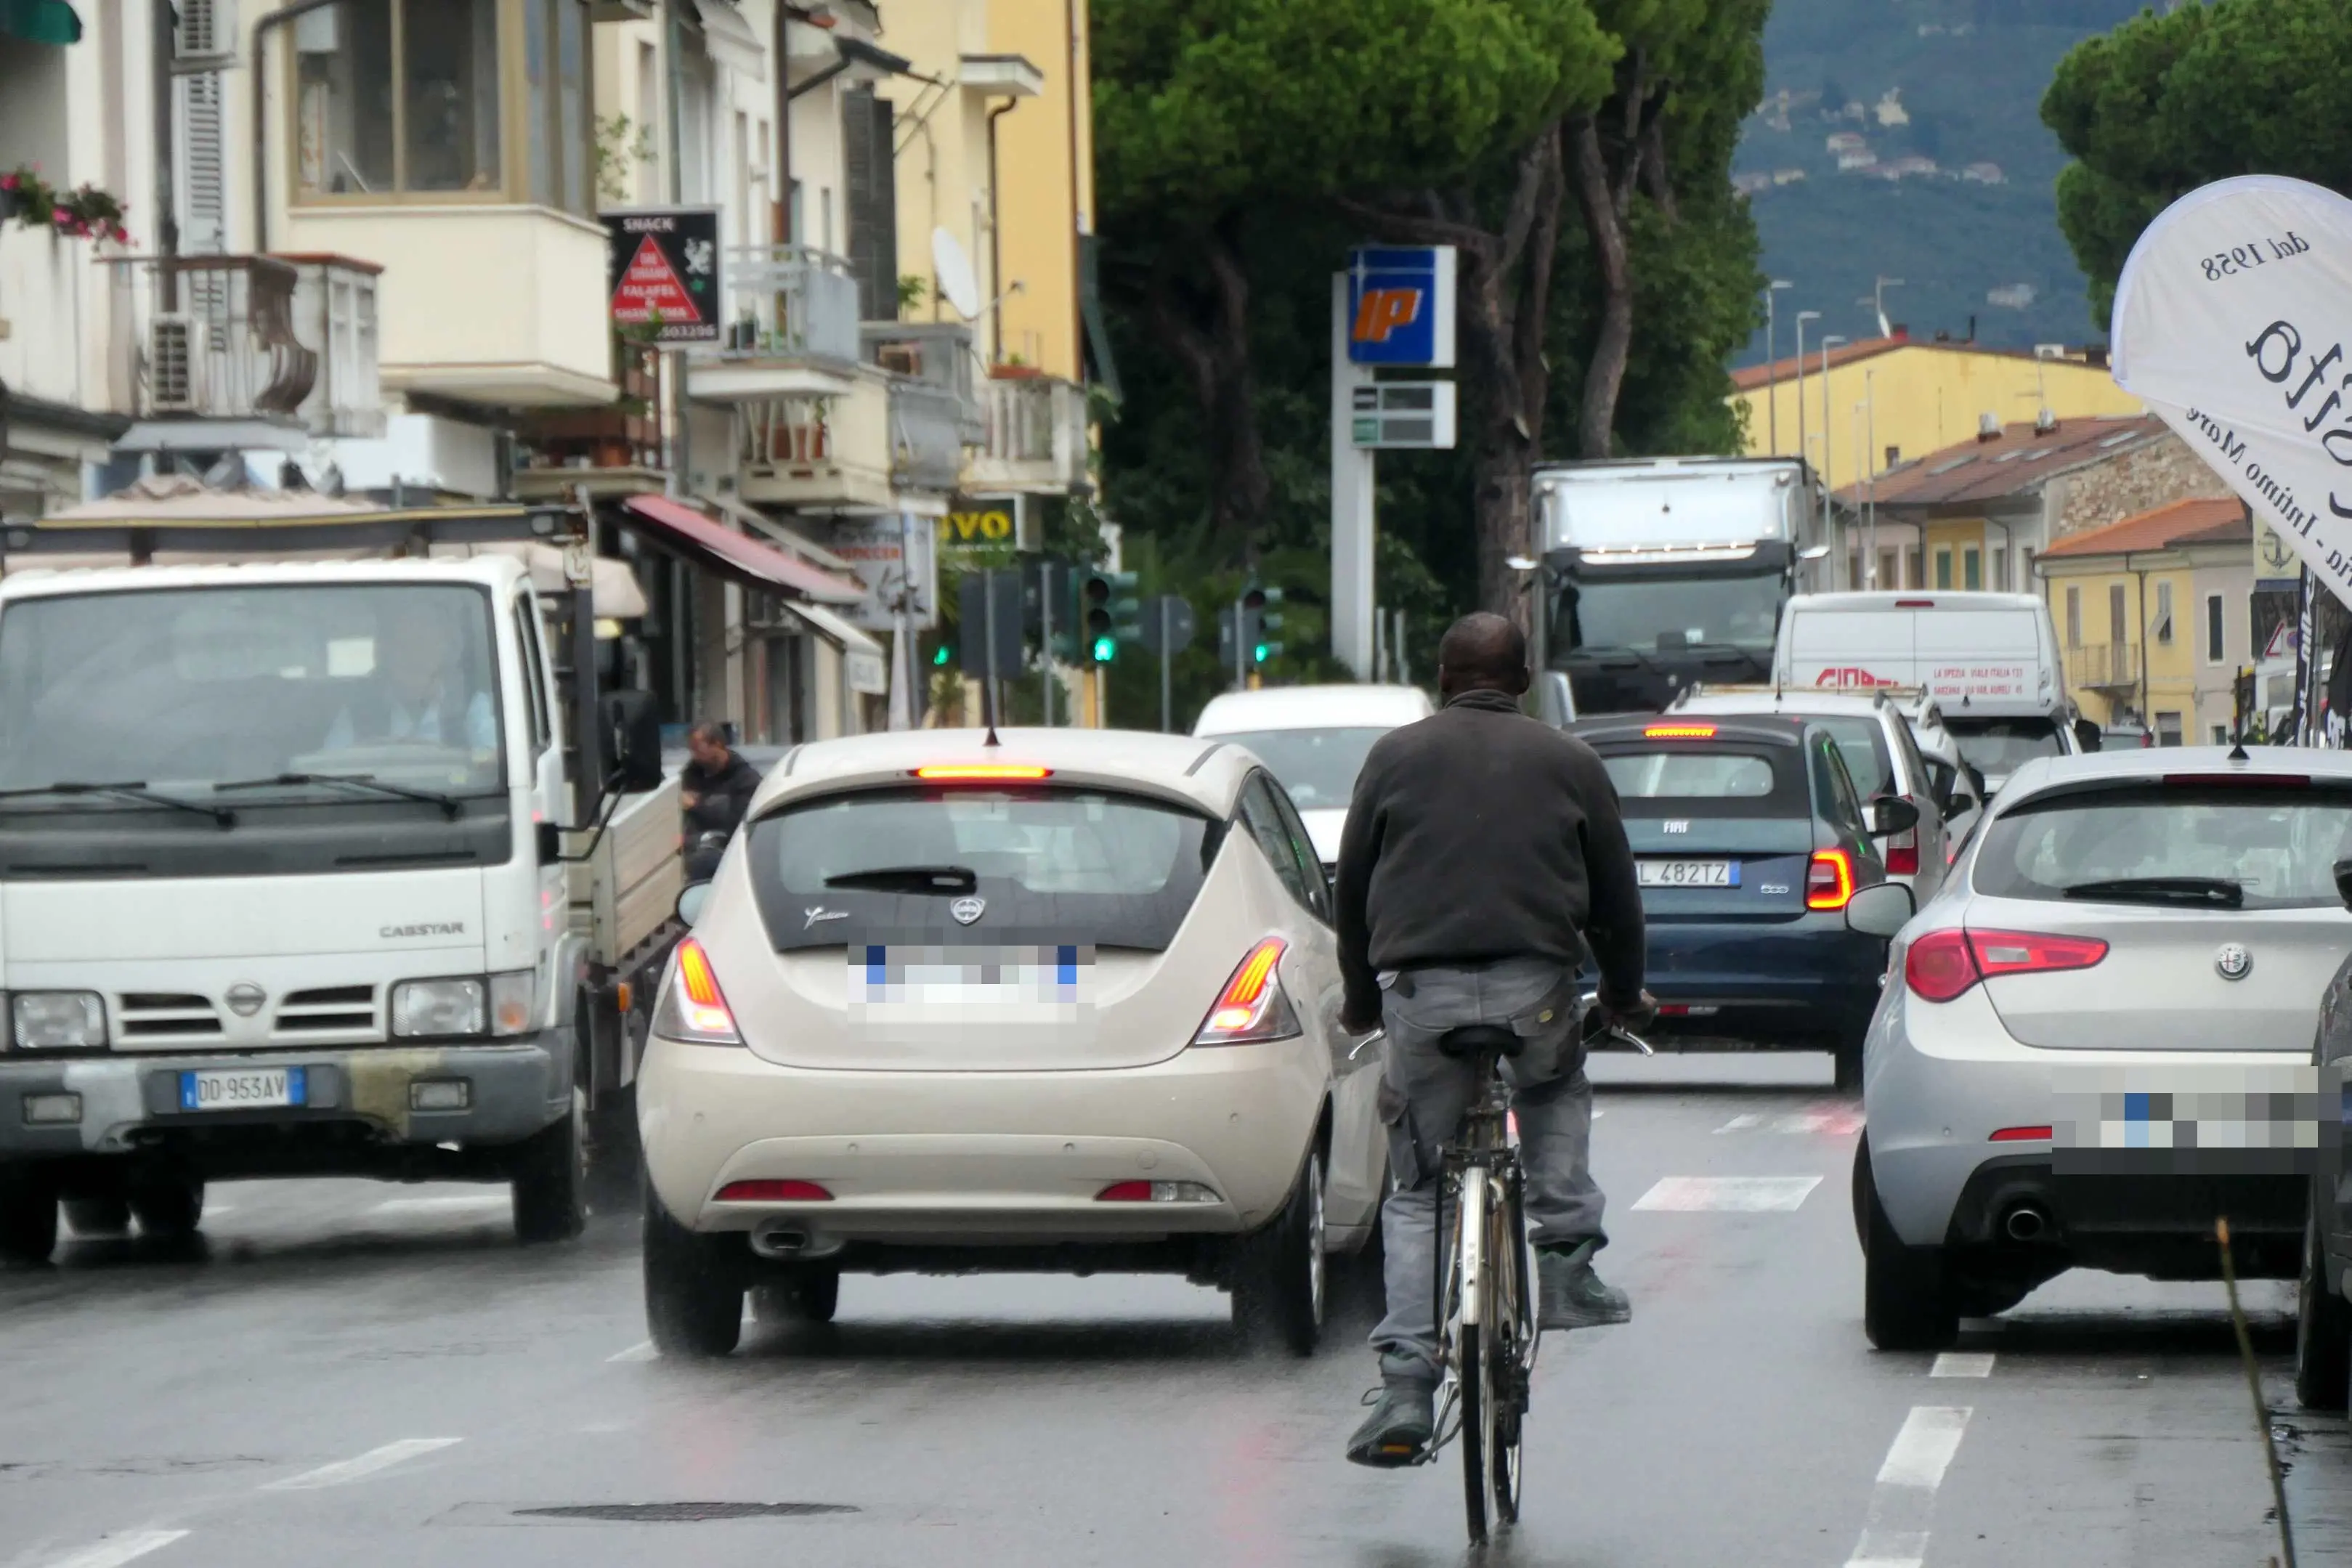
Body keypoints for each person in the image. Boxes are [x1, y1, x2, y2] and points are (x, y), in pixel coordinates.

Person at [1334, 611, 1654, 1469]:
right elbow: (1616, 896)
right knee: (1551, 1089)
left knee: (1417, 1188)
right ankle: (1561, 1261)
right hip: (1535, 989)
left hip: (1422, 996)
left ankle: (1406, 1381)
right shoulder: (1571, 760)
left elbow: (1354, 888)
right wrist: (1621, 994)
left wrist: (1363, 999)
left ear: (1443, 677)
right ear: (1520, 680)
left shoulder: (1392, 758)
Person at [323, 599, 496, 755]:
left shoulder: (470, 704)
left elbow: (493, 761)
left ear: (445, 652)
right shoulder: (358, 711)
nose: (413, 657)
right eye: (403, 646)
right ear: (386, 656)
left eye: (423, 644)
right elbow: (331, 768)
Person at [681, 721, 762, 878]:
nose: (695, 756)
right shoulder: (692, 775)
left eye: (698, 749)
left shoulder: (746, 780)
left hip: (728, 861)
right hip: (690, 855)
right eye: (692, 750)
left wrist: (696, 806)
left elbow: (736, 823)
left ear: (717, 744)